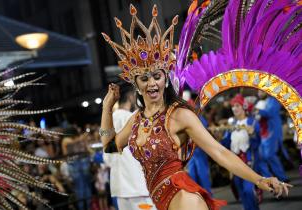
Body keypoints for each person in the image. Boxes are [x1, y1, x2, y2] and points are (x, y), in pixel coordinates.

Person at [100, 4, 291, 210]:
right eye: (144, 79)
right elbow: (110, 146)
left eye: (157, 76)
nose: (152, 83)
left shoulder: (179, 115)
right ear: (136, 85)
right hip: (159, 202)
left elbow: (218, 152)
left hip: (184, 199)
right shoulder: (136, 120)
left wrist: (259, 179)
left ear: (166, 78)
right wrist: (106, 107)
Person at [103, 86, 156, 210]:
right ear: (131, 97)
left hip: (120, 187)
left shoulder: (107, 121)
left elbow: (107, 158)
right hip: (138, 184)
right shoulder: (134, 118)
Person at [220, 94, 262, 210]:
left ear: (243, 106)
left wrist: (252, 134)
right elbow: (226, 144)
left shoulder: (252, 123)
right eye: (233, 106)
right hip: (235, 163)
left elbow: (256, 144)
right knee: (241, 192)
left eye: (237, 105)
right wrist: (220, 138)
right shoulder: (232, 124)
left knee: (248, 190)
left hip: (249, 162)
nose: (234, 108)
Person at [255, 90, 288, 182]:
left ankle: (282, 177)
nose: (259, 93)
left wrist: (256, 110)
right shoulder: (259, 103)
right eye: (258, 92)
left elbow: (269, 113)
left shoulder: (273, 101)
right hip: (263, 132)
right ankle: (271, 178)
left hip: (272, 131)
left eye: (261, 91)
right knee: (262, 157)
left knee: (270, 155)